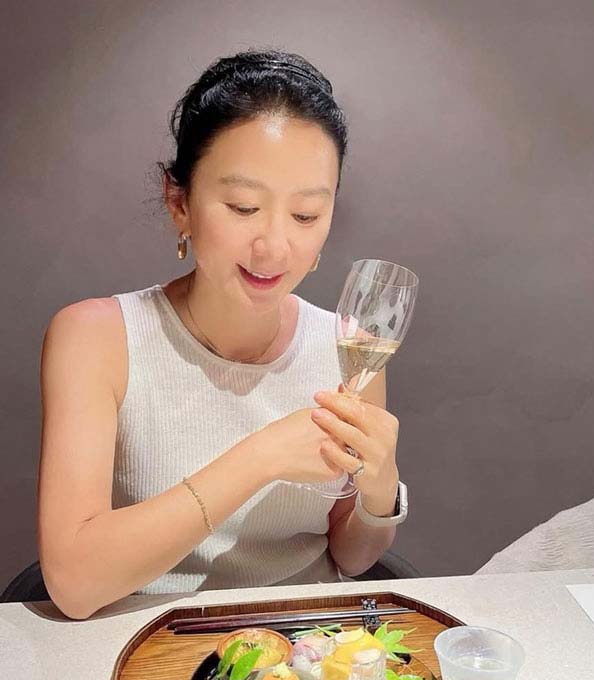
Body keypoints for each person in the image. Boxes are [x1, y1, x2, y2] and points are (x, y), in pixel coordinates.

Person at [37, 49, 404, 620]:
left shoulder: (348, 348)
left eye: (306, 215)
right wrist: (260, 458)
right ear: (179, 203)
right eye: (243, 206)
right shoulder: (97, 338)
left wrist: (380, 491)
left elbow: (351, 558)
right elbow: (74, 584)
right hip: (149, 643)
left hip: (303, 645)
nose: (274, 247)